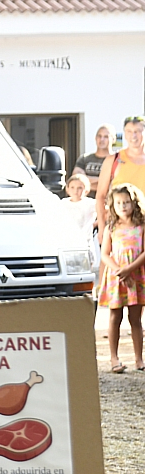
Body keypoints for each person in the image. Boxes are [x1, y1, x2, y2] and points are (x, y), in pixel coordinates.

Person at [98, 183, 145, 372]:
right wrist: (120, 271)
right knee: (114, 317)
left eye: (126, 202)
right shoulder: (111, 228)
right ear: (112, 205)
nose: (123, 206)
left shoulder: (141, 226)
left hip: (136, 276)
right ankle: (114, 358)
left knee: (135, 318)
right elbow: (105, 254)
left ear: (134, 203)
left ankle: (139, 359)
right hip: (116, 278)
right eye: (118, 203)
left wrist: (129, 270)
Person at [96, 117, 145, 239]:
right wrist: (102, 228)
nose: (133, 136)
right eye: (129, 131)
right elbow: (100, 196)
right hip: (119, 229)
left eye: (138, 131)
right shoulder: (114, 160)